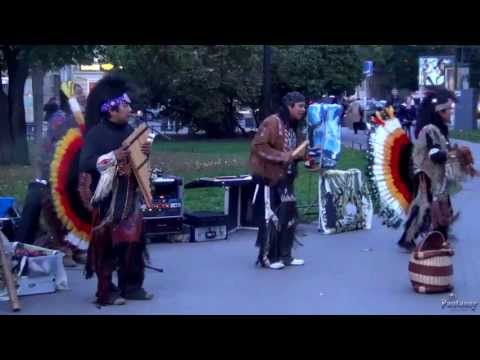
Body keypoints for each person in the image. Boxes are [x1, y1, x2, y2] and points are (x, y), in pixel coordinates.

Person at [79, 73, 153, 306]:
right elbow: (86, 162)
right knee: (107, 245)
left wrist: (144, 154)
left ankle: (131, 286)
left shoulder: (129, 131)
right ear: (111, 110)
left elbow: (137, 162)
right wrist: (112, 157)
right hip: (106, 198)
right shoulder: (96, 134)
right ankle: (106, 291)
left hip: (129, 194)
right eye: (125, 105)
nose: (130, 109)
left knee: (133, 242)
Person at [15, 91, 86, 267]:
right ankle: (62, 248)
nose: (83, 95)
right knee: (58, 211)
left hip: (75, 171)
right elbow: (51, 147)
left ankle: (76, 248)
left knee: (76, 209)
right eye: (78, 92)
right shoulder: (60, 119)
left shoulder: (80, 117)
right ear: (69, 99)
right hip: (57, 172)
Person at [249, 91, 306, 270]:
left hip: (286, 178)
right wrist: (283, 156)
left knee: (288, 218)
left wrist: (305, 158)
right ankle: (267, 258)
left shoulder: (293, 125)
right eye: (300, 106)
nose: (303, 110)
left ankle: (285, 255)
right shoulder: (272, 122)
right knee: (270, 219)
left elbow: (295, 151)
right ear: (290, 106)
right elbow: (259, 146)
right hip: (268, 178)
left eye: (304, 106)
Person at [398, 89, 457, 251]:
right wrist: (451, 154)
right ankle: (408, 239)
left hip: (436, 175)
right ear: (440, 111)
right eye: (449, 110)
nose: (451, 112)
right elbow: (434, 154)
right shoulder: (430, 129)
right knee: (425, 206)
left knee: (442, 205)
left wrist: (452, 154)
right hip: (426, 175)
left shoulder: (439, 129)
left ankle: (440, 238)